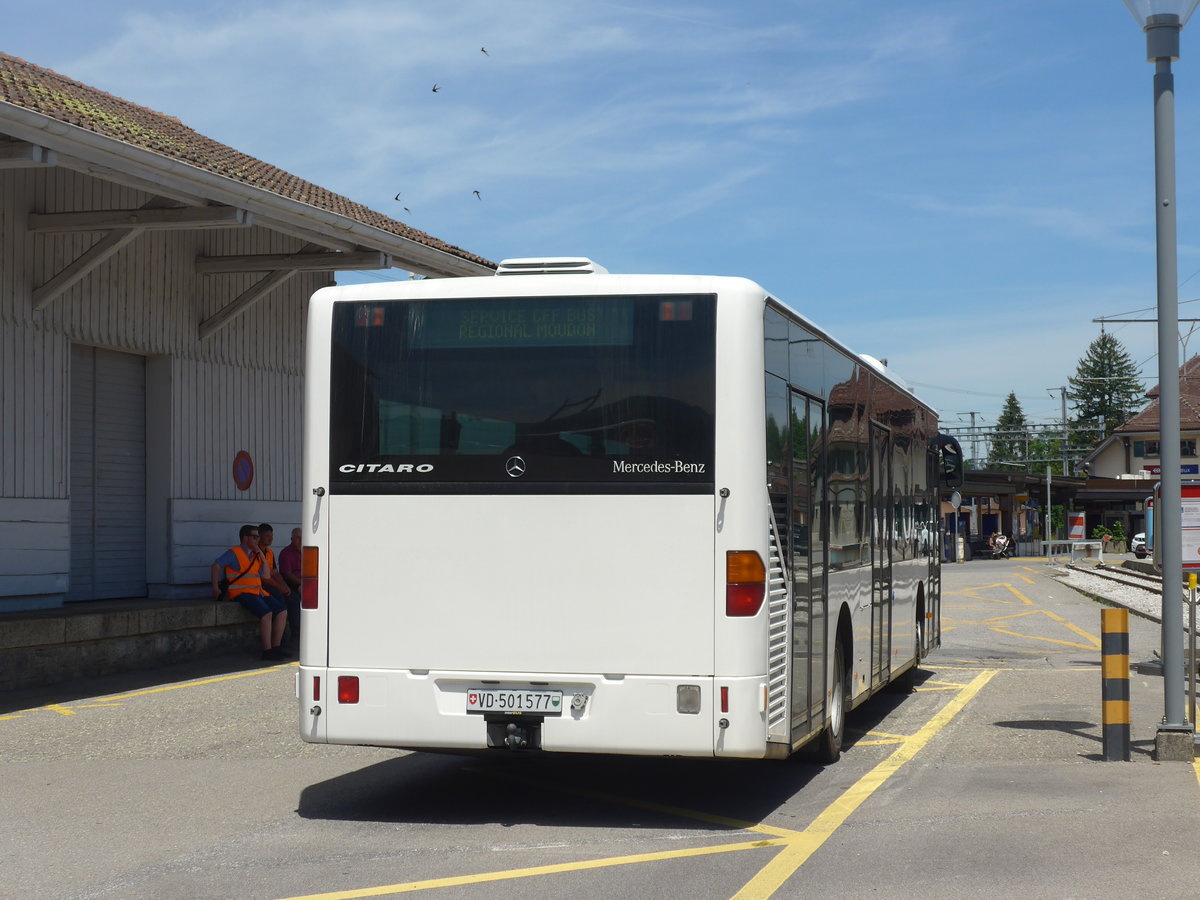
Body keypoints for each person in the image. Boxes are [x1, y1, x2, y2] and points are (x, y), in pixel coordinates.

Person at [210, 524, 289, 661]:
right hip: (241, 592)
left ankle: (276, 648)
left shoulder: (255, 555)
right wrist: (215, 587)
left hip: (257, 591)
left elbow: (265, 575)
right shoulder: (234, 552)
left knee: (282, 611)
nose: (257, 540)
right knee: (267, 613)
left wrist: (261, 556)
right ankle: (267, 651)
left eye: (258, 537)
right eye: (255, 537)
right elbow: (216, 565)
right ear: (245, 538)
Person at [257, 523, 294, 624]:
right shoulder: (254, 552)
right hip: (261, 585)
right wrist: (280, 587)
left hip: (271, 583)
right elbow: (263, 577)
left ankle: (293, 630)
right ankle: (280, 632)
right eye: (267, 536)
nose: (271, 539)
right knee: (279, 597)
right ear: (259, 536)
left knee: (293, 597)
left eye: (272, 536)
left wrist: (285, 586)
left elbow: (275, 573)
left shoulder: (270, 552)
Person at [278, 526, 302, 648]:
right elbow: (287, 574)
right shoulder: (286, 553)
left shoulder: (306, 552)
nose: (301, 540)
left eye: (303, 537)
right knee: (295, 600)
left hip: (305, 582)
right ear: (292, 538)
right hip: (290, 583)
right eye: (298, 537)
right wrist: (301, 584)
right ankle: (296, 634)